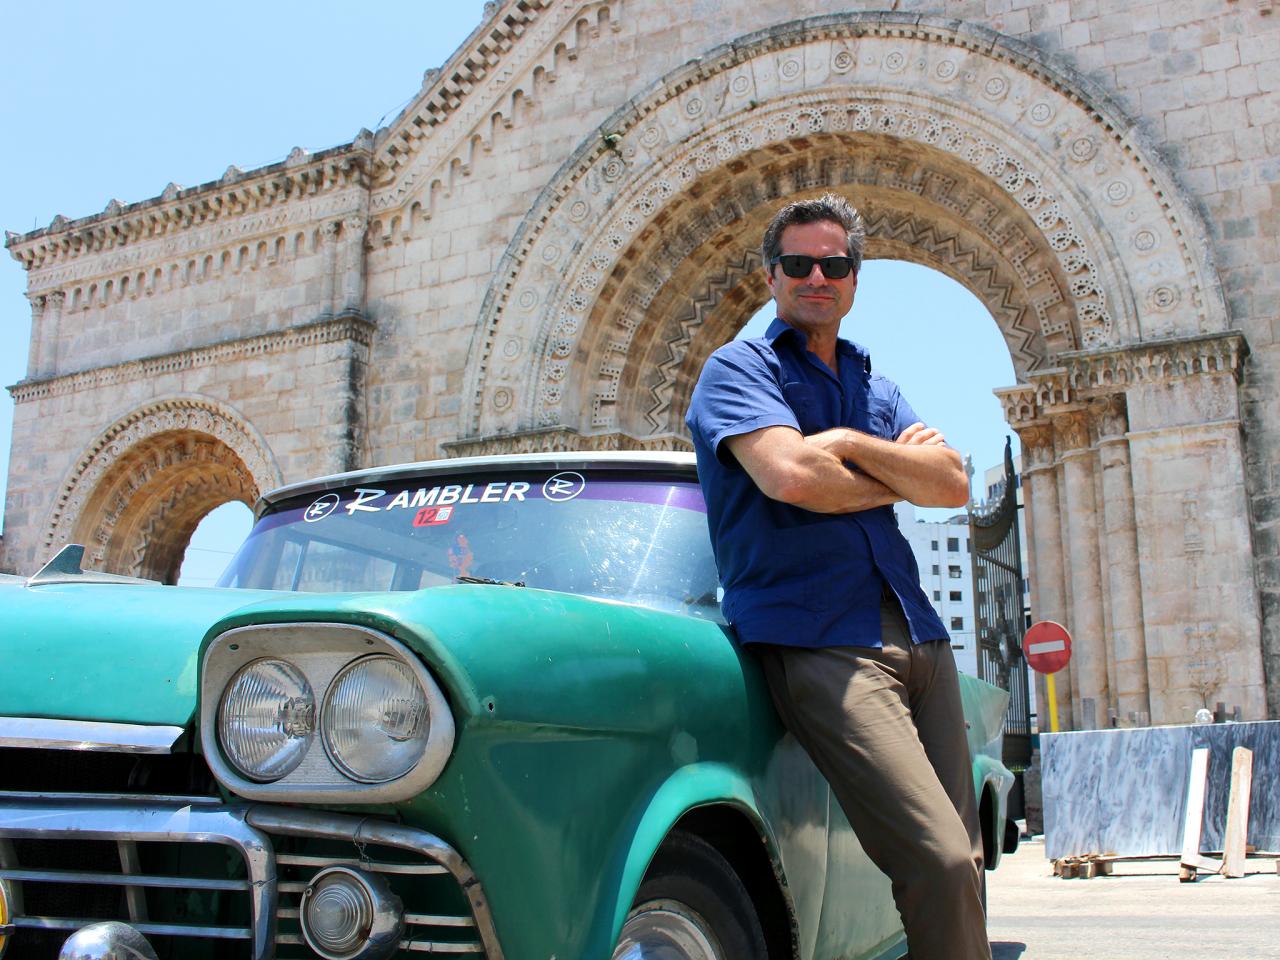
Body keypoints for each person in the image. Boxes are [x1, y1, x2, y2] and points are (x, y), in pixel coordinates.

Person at [685, 193, 990, 960]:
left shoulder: (872, 387)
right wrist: (899, 471)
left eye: (835, 263)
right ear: (770, 276)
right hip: (822, 640)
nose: (816, 276)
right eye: (798, 263)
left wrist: (849, 440)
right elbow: (791, 476)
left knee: (967, 863)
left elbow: (954, 483)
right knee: (940, 860)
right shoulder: (737, 369)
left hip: (919, 631)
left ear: (855, 278)